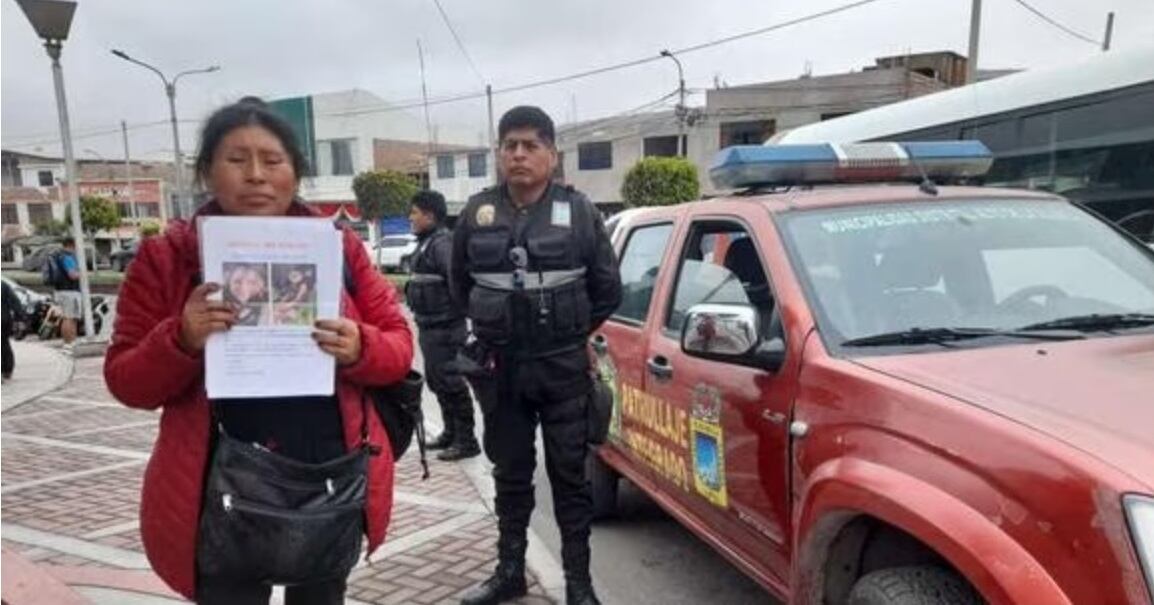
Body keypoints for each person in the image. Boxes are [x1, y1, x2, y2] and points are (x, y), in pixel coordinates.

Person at [103, 97, 413, 605]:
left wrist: (362, 346)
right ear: (207, 171)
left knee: (319, 594)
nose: (256, 176)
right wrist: (179, 339)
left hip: (326, 475)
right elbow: (125, 380)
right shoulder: (167, 258)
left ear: (295, 172)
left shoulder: (339, 247)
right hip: (217, 486)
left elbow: (399, 348)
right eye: (236, 159)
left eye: (273, 161)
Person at [451, 106, 622, 605]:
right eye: (510, 146)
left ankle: (579, 585)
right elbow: (462, 285)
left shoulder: (581, 212)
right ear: (500, 154)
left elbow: (607, 289)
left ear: (552, 153)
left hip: (563, 368)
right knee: (510, 474)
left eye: (530, 145)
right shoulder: (476, 213)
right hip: (500, 370)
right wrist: (497, 323)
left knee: (571, 477)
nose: (519, 154)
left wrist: (571, 333)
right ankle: (509, 572)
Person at [407, 190, 480, 462]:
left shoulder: (442, 244)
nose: (410, 218)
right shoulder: (427, 243)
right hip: (430, 327)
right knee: (438, 382)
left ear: (429, 215)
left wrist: (457, 319)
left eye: (414, 212)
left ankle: (467, 440)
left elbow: (458, 284)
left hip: (446, 327)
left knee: (452, 382)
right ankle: (450, 433)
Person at [52, 237, 83, 346]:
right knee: (69, 318)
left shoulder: (57, 255)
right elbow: (73, 275)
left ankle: (68, 342)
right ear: (71, 245)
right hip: (70, 291)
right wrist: (82, 273)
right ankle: (70, 342)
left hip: (60, 290)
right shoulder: (67, 257)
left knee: (66, 317)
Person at [2, 279, 26, 381]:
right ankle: (7, 370)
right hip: (4, 319)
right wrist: (19, 318)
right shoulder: (3, 285)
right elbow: (15, 302)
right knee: (4, 344)